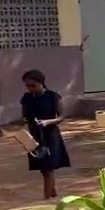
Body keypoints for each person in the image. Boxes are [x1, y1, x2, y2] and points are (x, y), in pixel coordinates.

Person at [20, 69, 71, 199]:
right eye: (27, 86)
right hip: (34, 136)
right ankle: (52, 192)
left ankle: (46, 197)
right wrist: (24, 121)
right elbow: (24, 116)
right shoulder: (26, 98)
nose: (30, 88)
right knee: (42, 167)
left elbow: (62, 116)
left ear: (41, 83)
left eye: (33, 85)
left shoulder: (53, 96)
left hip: (50, 135)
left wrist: (47, 122)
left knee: (48, 166)